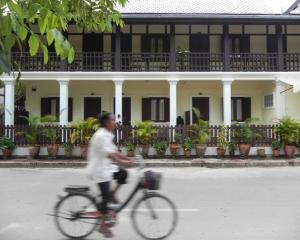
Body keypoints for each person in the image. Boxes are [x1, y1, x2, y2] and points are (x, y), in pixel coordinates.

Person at [86, 111, 133, 238]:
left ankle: (112, 194)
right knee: (105, 200)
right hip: (98, 170)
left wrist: (128, 158)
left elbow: (115, 152)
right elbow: (110, 155)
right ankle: (103, 227)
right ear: (106, 123)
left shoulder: (107, 134)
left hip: (106, 167)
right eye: (112, 120)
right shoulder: (100, 135)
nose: (115, 122)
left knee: (123, 173)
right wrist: (123, 161)